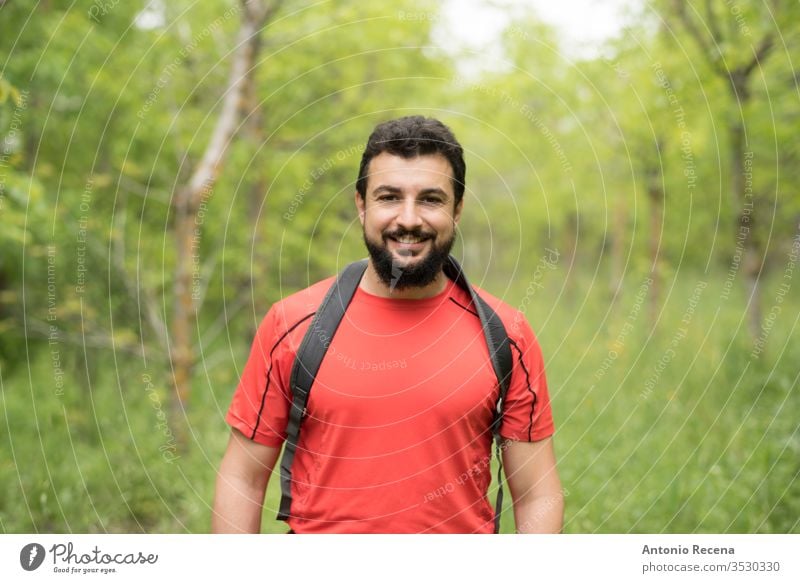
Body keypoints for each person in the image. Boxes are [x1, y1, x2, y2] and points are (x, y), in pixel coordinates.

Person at [212, 116, 563, 534]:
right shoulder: (292, 325)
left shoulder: (507, 335)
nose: (409, 219)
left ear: (458, 209)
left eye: (431, 199)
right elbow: (242, 478)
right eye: (389, 197)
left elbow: (537, 494)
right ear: (362, 205)